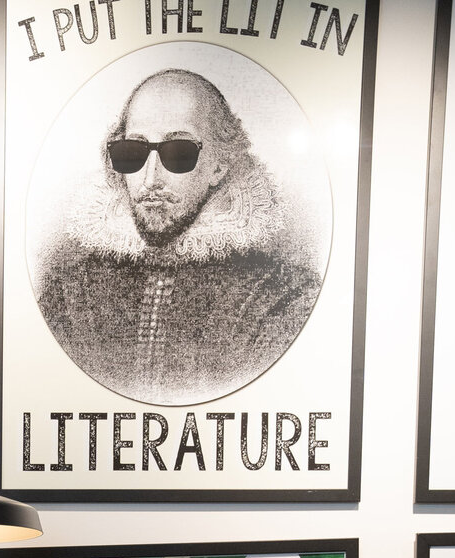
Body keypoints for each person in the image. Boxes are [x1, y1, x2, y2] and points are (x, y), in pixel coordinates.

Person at [31, 68, 322, 405]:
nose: (151, 178)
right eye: (133, 152)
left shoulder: (283, 299)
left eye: (179, 153)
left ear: (219, 166)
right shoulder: (69, 296)